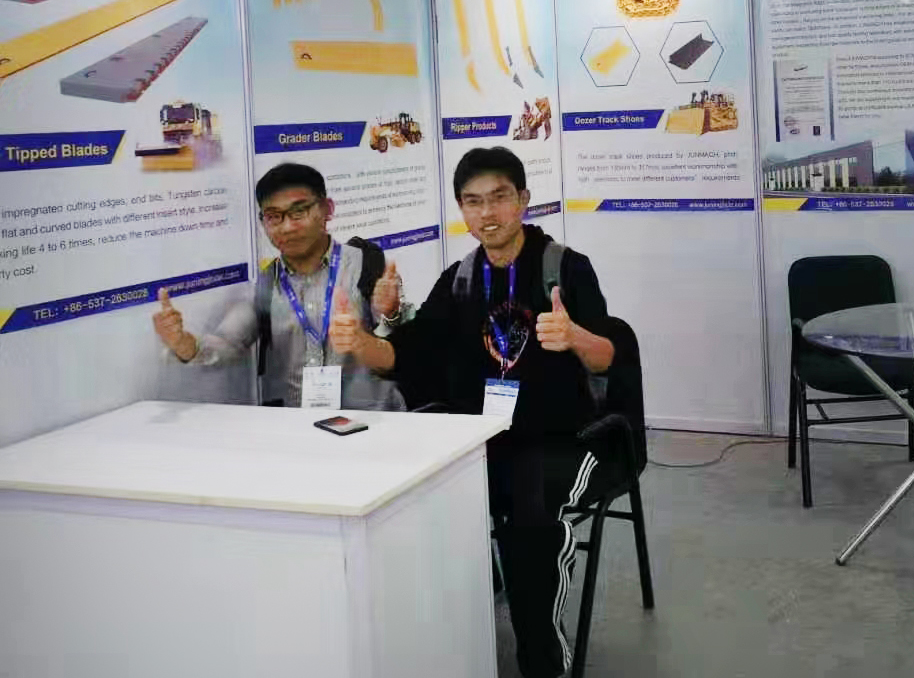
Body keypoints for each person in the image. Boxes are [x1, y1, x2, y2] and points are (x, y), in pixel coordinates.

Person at [332, 147, 619, 678]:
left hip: (562, 437)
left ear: (523, 200)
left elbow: (607, 357)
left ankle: (542, 662)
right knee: (409, 500)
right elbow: (409, 355)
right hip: (480, 437)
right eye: (473, 202)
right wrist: (361, 342)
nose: (487, 214)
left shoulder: (564, 267)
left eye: (499, 198)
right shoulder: (460, 277)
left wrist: (574, 336)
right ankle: (444, 641)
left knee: (529, 520)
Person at [153, 162, 410, 410]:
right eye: (274, 216)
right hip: (300, 425)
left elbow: (404, 341)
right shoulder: (265, 284)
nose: (287, 227)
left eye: (299, 212)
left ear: (327, 209)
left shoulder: (366, 264)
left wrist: (391, 312)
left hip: (373, 420)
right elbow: (228, 342)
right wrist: (184, 344)